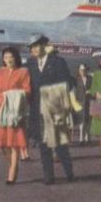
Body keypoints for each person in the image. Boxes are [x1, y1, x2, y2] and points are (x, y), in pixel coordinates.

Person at [25, 34, 75, 184]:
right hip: (37, 110)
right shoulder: (30, 64)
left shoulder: (58, 62)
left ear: (44, 46)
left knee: (59, 145)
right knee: (43, 145)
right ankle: (49, 177)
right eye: (31, 47)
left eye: (35, 46)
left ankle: (69, 173)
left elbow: (68, 83)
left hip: (54, 109)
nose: (33, 49)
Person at [0, 47, 31, 184]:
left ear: (16, 57)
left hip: (14, 112)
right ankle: (11, 165)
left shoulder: (23, 72)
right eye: (5, 57)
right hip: (0, 110)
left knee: (14, 143)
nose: (8, 60)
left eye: (10, 57)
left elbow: (27, 90)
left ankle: (12, 174)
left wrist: (13, 95)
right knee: (4, 144)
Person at [73, 64, 92, 144]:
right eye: (81, 70)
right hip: (80, 101)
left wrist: (91, 91)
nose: (82, 72)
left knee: (88, 121)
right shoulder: (76, 79)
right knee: (81, 121)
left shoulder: (90, 79)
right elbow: (73, 90)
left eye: (84, 70)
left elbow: (94, 87)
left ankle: (87, 137)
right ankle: (81, 138)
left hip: (89, 101)